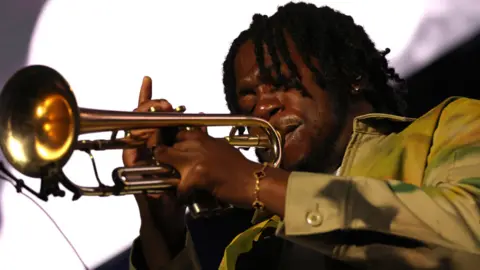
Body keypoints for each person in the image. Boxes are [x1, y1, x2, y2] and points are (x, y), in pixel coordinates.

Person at [124, 2, 480, 269]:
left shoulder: (446, 126)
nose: (263, 108)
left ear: (352, 75)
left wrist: (257, 183)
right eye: (247, 100)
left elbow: (469, 236)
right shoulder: (251, 247)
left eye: (279, 82)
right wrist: (161, 225)